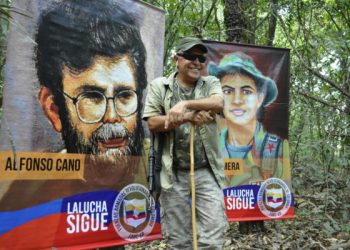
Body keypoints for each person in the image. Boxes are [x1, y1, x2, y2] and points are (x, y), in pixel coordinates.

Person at [0, 0, 148, 210]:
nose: (113, 116)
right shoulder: (26, 196)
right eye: (93, 97)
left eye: (124, 95)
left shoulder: (151, 170)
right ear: (54, 110)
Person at [143, 37, 227, 250]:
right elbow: (153, 123)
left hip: (207, 172)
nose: (196, 62)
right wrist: (189, 116)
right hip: (173, 173)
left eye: (201, 58)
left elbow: (218, 102)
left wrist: (184, 104)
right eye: (190, 56)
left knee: (213, 236)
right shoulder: (159, 86)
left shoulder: (211, 83)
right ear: (176, 59)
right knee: (179, 240)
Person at [208, 51, 290, 186]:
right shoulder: (209, 147)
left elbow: (282, 201)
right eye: (228, 91)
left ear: (260, 98)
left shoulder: (278, 149)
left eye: (246, 91)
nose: (237, 100)